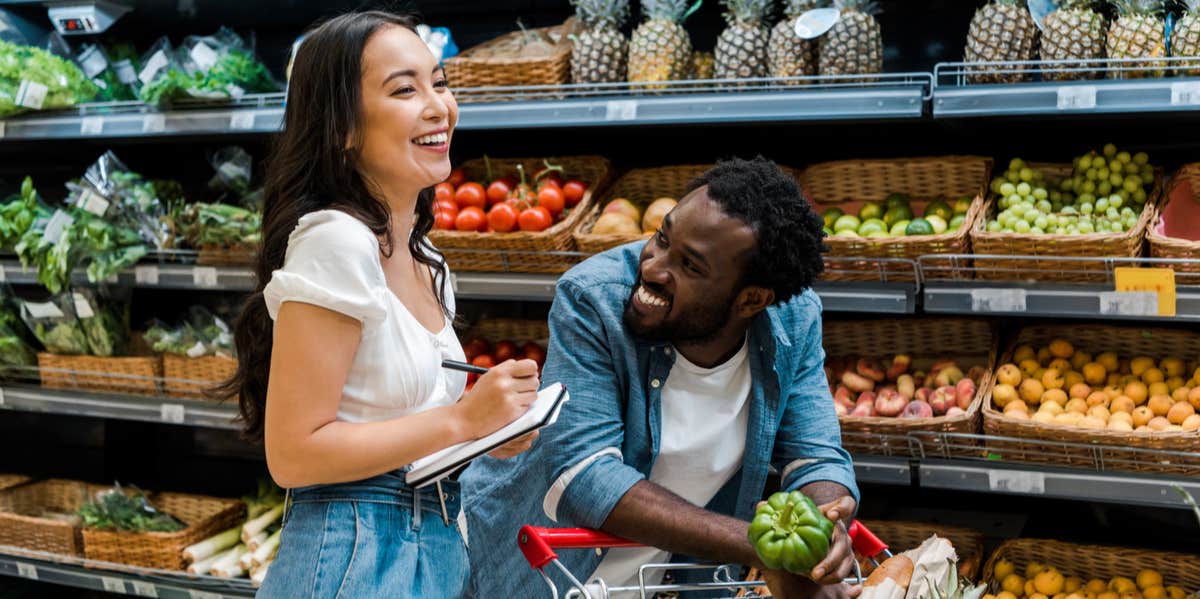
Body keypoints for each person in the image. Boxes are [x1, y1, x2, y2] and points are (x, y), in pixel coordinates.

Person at [219, 11, 539, 598]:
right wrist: (462, 420)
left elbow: (390, 422)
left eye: (439, 83)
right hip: (354, 552)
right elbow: (293, 454)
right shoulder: (334, 241)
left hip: (434, 543)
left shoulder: (428, 262)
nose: (438, 106)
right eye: (404, 89)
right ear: (341, 127)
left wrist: (486, 433)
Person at [461, 157, 859, 599]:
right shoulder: (593, 299)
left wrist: (823, 530)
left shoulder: (793, 321)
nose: (653, 267)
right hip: (523, 574)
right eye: (662, 238)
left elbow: (816, 456)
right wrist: (762, 547)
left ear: (750, 300)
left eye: (690, 266)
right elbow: (584, 476)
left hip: (647, 582)